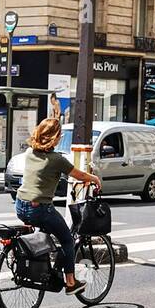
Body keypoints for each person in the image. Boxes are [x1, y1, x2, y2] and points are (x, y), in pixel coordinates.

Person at [15, 116, 101, 296]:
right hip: (39, 209)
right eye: (59, 135)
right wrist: (94, 178)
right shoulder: (56, 160)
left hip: (20, 205)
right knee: (67, 240)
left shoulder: (30, 152)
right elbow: (80, 175)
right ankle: (70, 282)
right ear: (55, 137)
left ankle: (46, 271)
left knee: (47, 232)